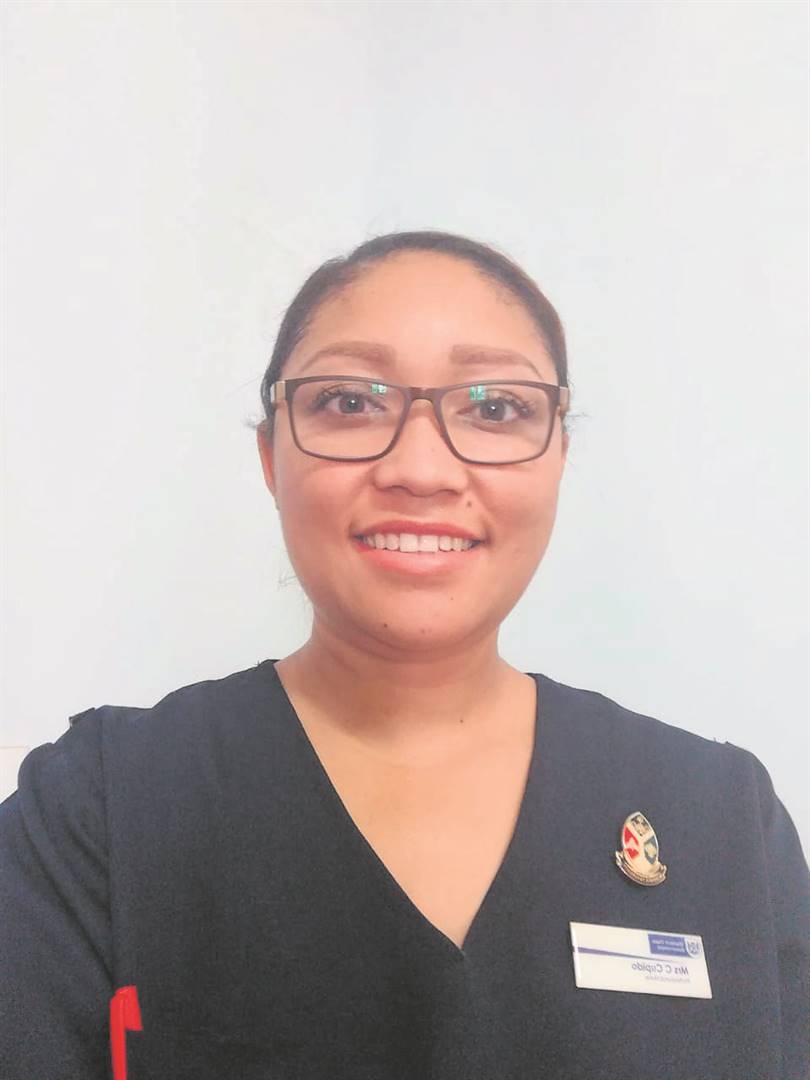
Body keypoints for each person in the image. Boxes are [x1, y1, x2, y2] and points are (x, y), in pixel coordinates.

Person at [1, 230, 808, 1080]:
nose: (421, 469)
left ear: (559, 457)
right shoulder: (99, 808)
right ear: (271, 456)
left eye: (495, 408)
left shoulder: (724, 819)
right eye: (350, 402)